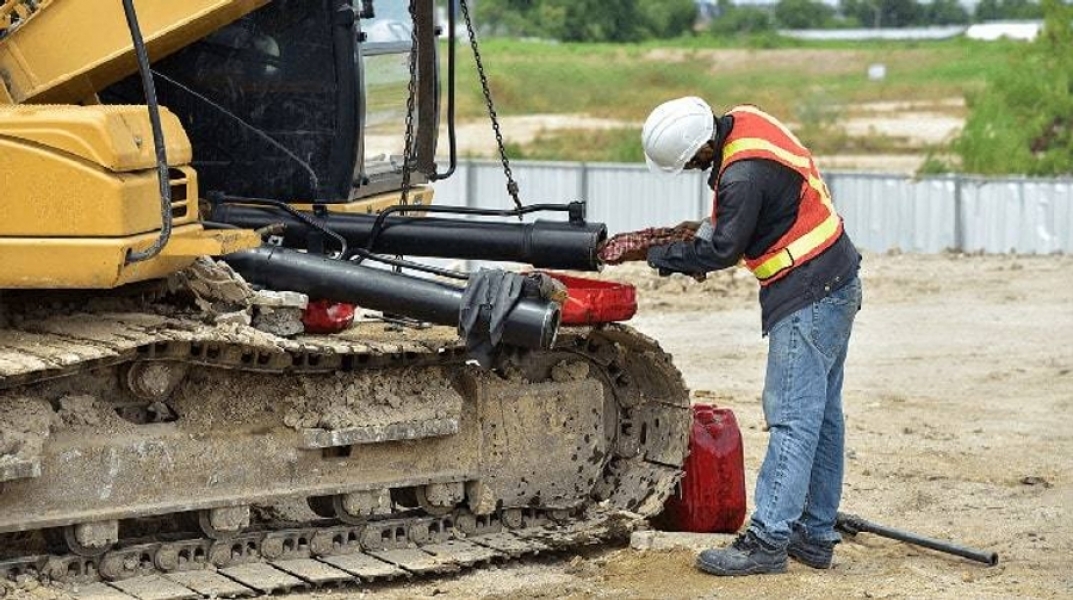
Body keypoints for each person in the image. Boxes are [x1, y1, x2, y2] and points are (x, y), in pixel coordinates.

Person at [640, 96, 863, 576]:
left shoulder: (740, 177)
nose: (690, 171)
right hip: (837, 279)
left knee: (792, 417)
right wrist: (693, 232)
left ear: (700, 148)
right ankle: (815, 533)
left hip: (808, 292)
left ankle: (766, 540)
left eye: (687, 164)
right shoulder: (744, 121)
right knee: (822, 417)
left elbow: (722, 250)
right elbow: (760, 210)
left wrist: (662, 256)